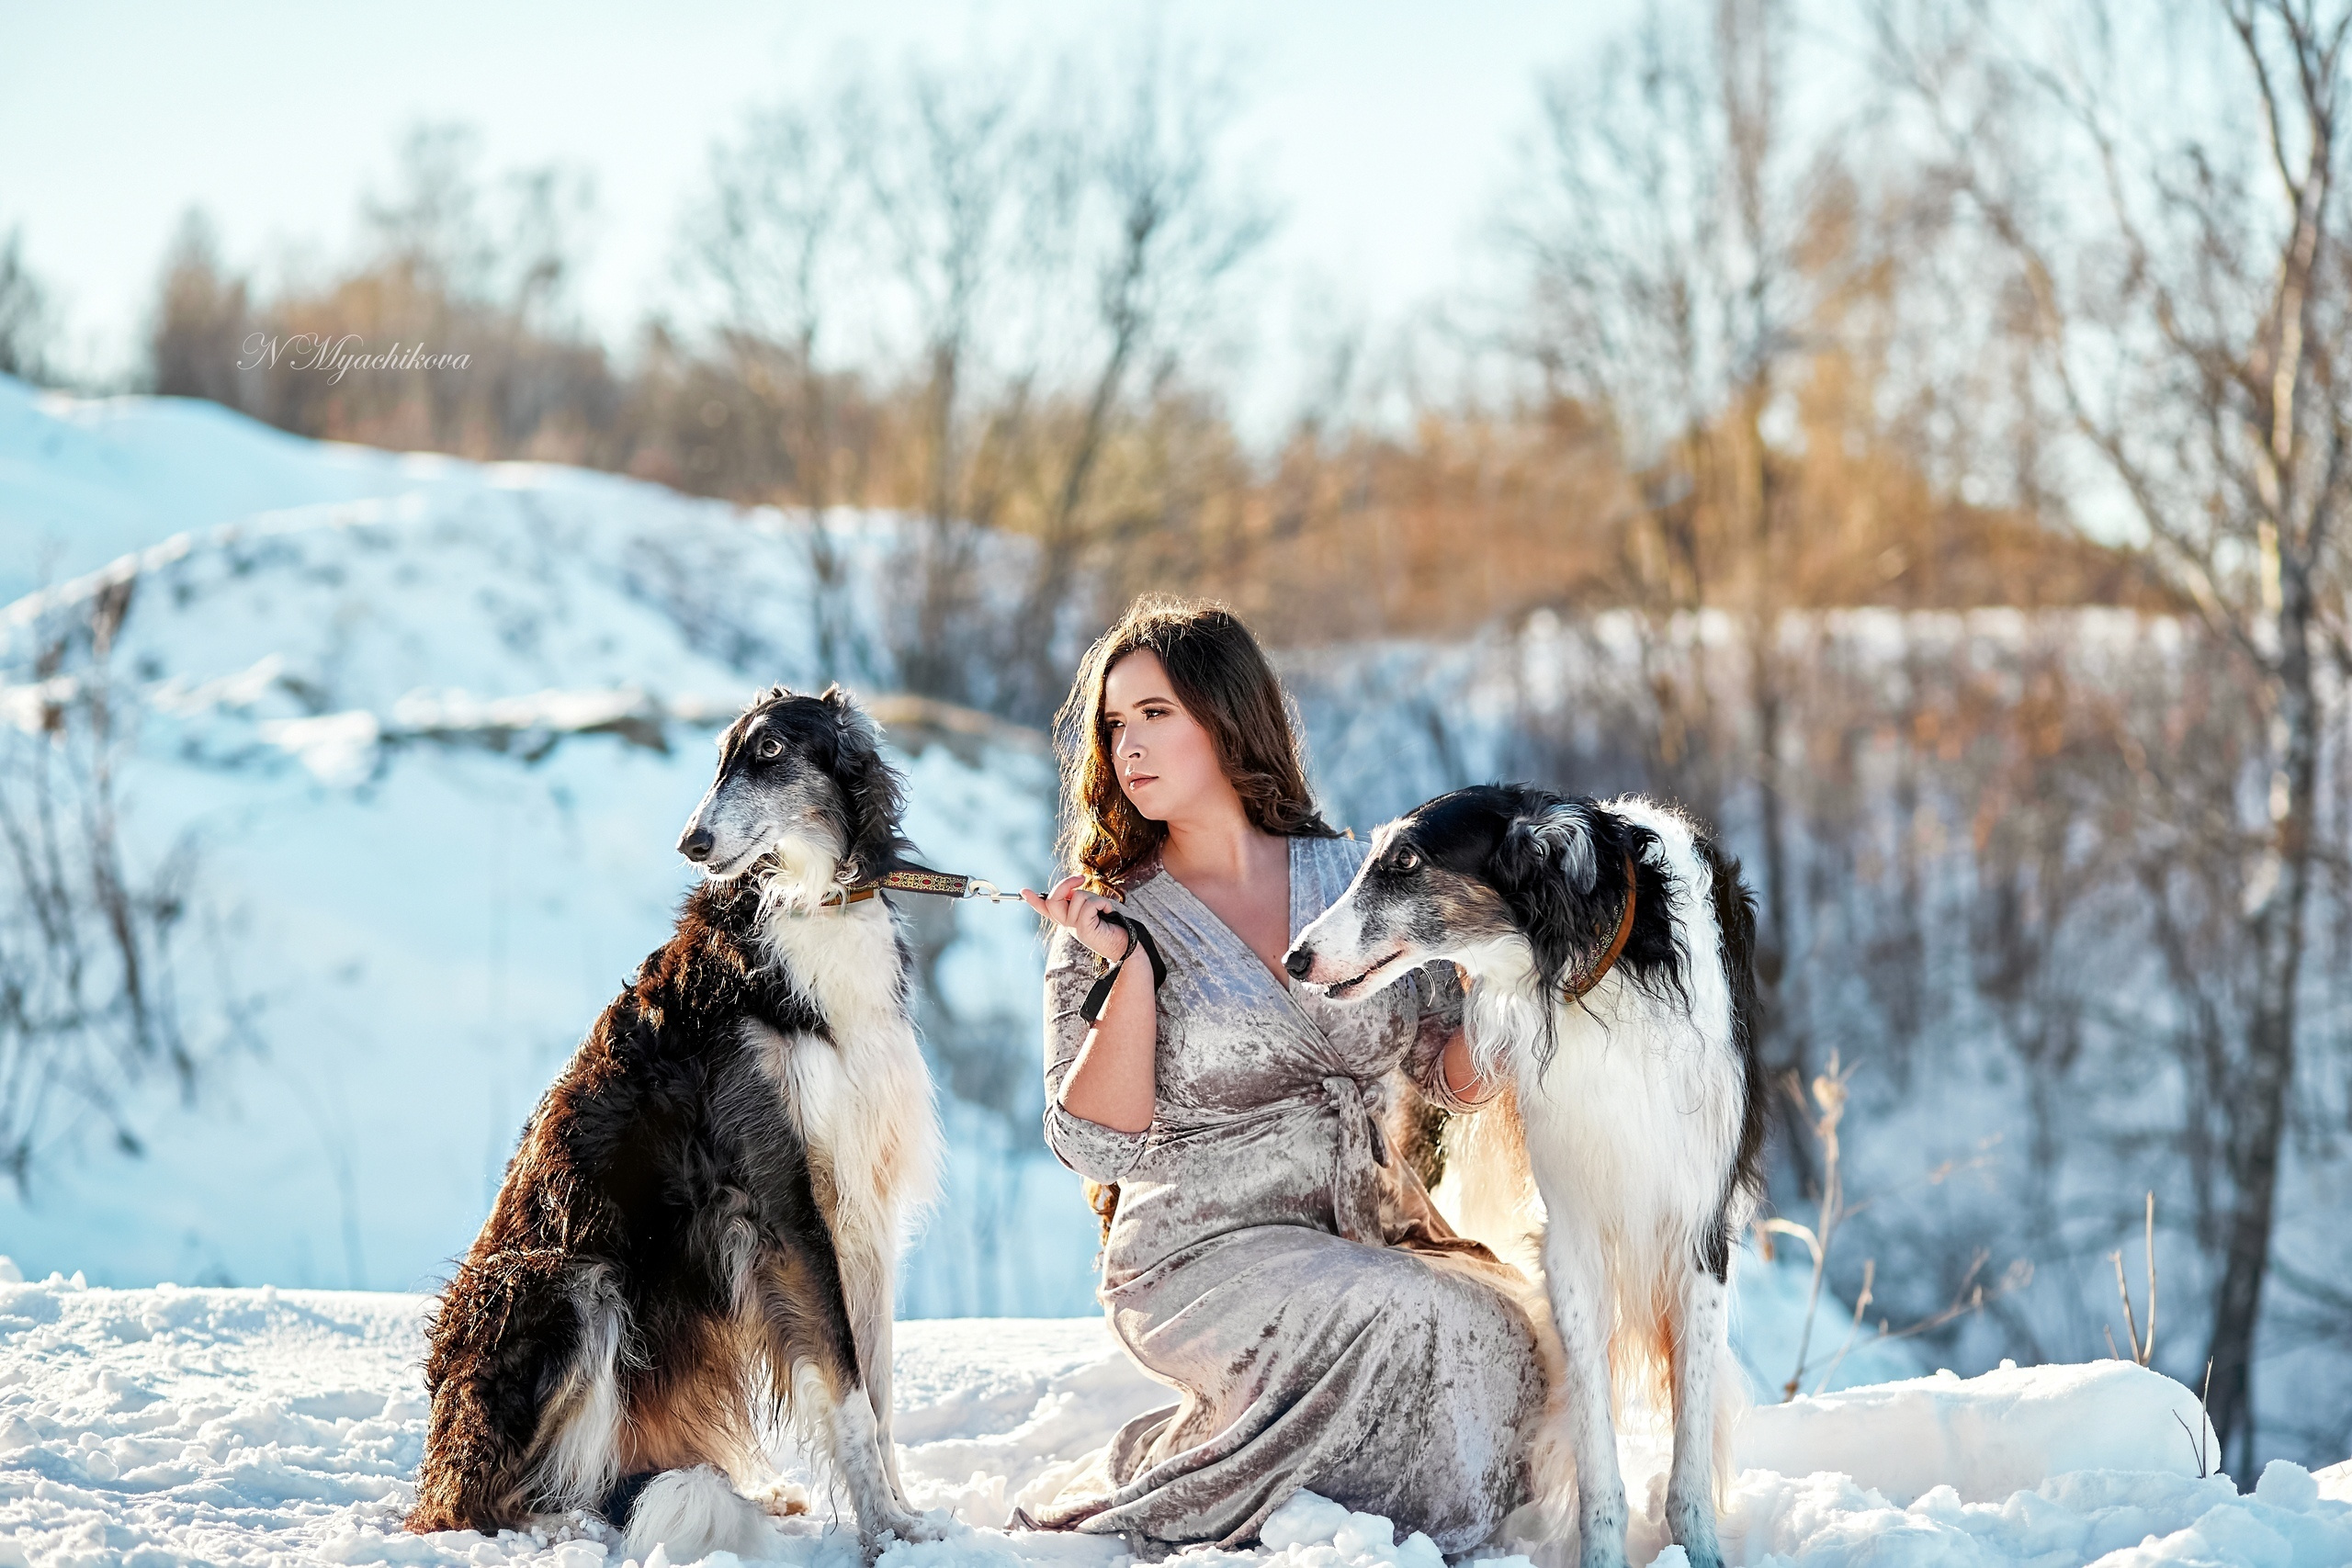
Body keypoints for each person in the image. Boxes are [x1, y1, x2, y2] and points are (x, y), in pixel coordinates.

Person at [1012, 594, 1547, 1557]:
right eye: (1115, 725)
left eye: (1155, 713)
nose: (1128, 746)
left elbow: (1448, 1075)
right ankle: (1368, 1539)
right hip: (1198, 1255)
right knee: (1408, 1314)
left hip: (1370, 1231)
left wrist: (1510, 985)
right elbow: (1093, 1143)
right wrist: (1130, 970)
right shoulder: (1109, 915)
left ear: (1226, 718)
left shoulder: (1359, 879)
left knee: (1510, 1329)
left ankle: (1339, 1516)